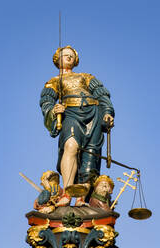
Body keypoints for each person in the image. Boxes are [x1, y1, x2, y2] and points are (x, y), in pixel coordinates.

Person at [40, 46, 114, 207]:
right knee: (70, 146)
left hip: (92, 113)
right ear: (57, 59)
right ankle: (67, 193)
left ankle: (82, 197)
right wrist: (53, 110)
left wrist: (107, 111)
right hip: (71, 114)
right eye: (65, 55)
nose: (68, 57)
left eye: (71, 56)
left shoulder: (86, 77)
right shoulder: (53, 82)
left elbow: (101, 94)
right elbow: (46, 101)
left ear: (76, 60)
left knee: (91, 154)